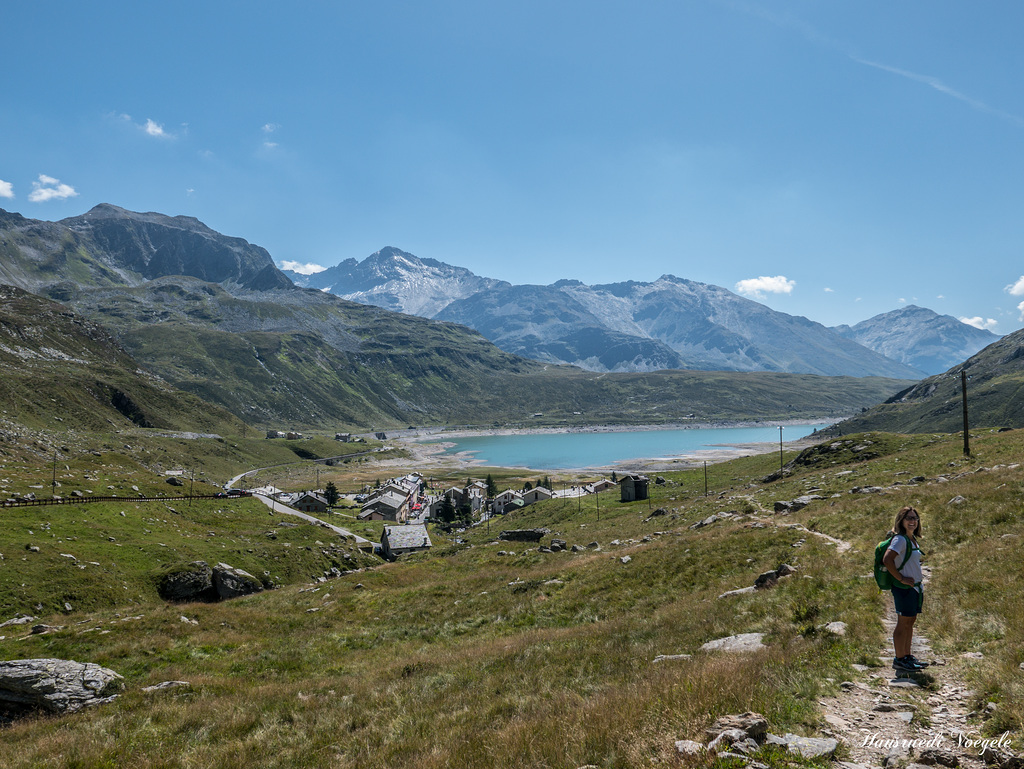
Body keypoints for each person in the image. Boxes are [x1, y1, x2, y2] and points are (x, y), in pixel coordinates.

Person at [883, 506, 929, 671]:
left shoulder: (912, 539)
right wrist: (901, 578)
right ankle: (899, 659)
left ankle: (907, 657)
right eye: (909, 518)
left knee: (910, 622)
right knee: (902, 624)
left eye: (915, 518)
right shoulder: (900, 540)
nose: (913, 521)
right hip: (904, 588)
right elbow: (887, 559)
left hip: (914, 588)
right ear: (901, 521)